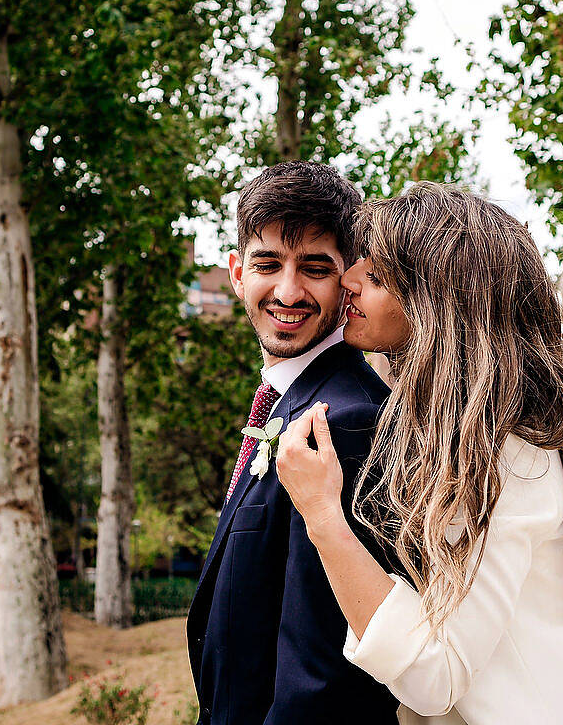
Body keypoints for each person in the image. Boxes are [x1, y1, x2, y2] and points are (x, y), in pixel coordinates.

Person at [276, 183, 563, 725]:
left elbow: (433, 676)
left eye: (375, 276)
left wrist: (323, 518)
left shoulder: (509, 458)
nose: (347, 279)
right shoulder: (462, 440)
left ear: (438, 308)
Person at [186, 161, 399, 725]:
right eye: (267, 264)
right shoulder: (287, 402)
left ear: (347, 280)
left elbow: (324, 675)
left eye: (314, 268)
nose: (287, 291)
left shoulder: (349, 421)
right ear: (236, 273)